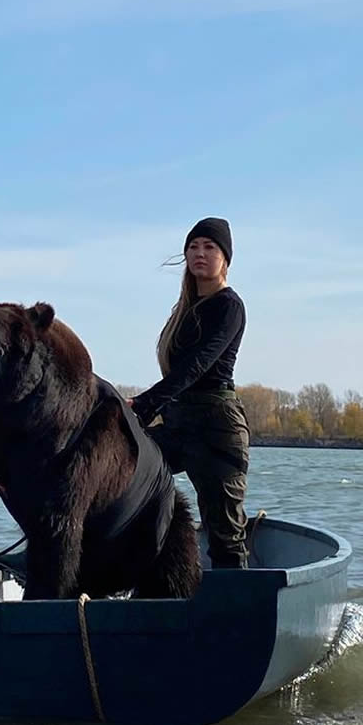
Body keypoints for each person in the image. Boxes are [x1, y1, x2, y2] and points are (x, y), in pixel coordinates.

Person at [128, 217, 250, 569]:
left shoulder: (230, 306)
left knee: (224, 533)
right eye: (193, 246)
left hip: (218, 428)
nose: (200, 253)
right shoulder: (183, 310)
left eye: (210, 247)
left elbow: (197, 366)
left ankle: (233, 607)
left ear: (225, 258)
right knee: (124, 471)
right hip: (180, 423)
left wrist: (147, 402)